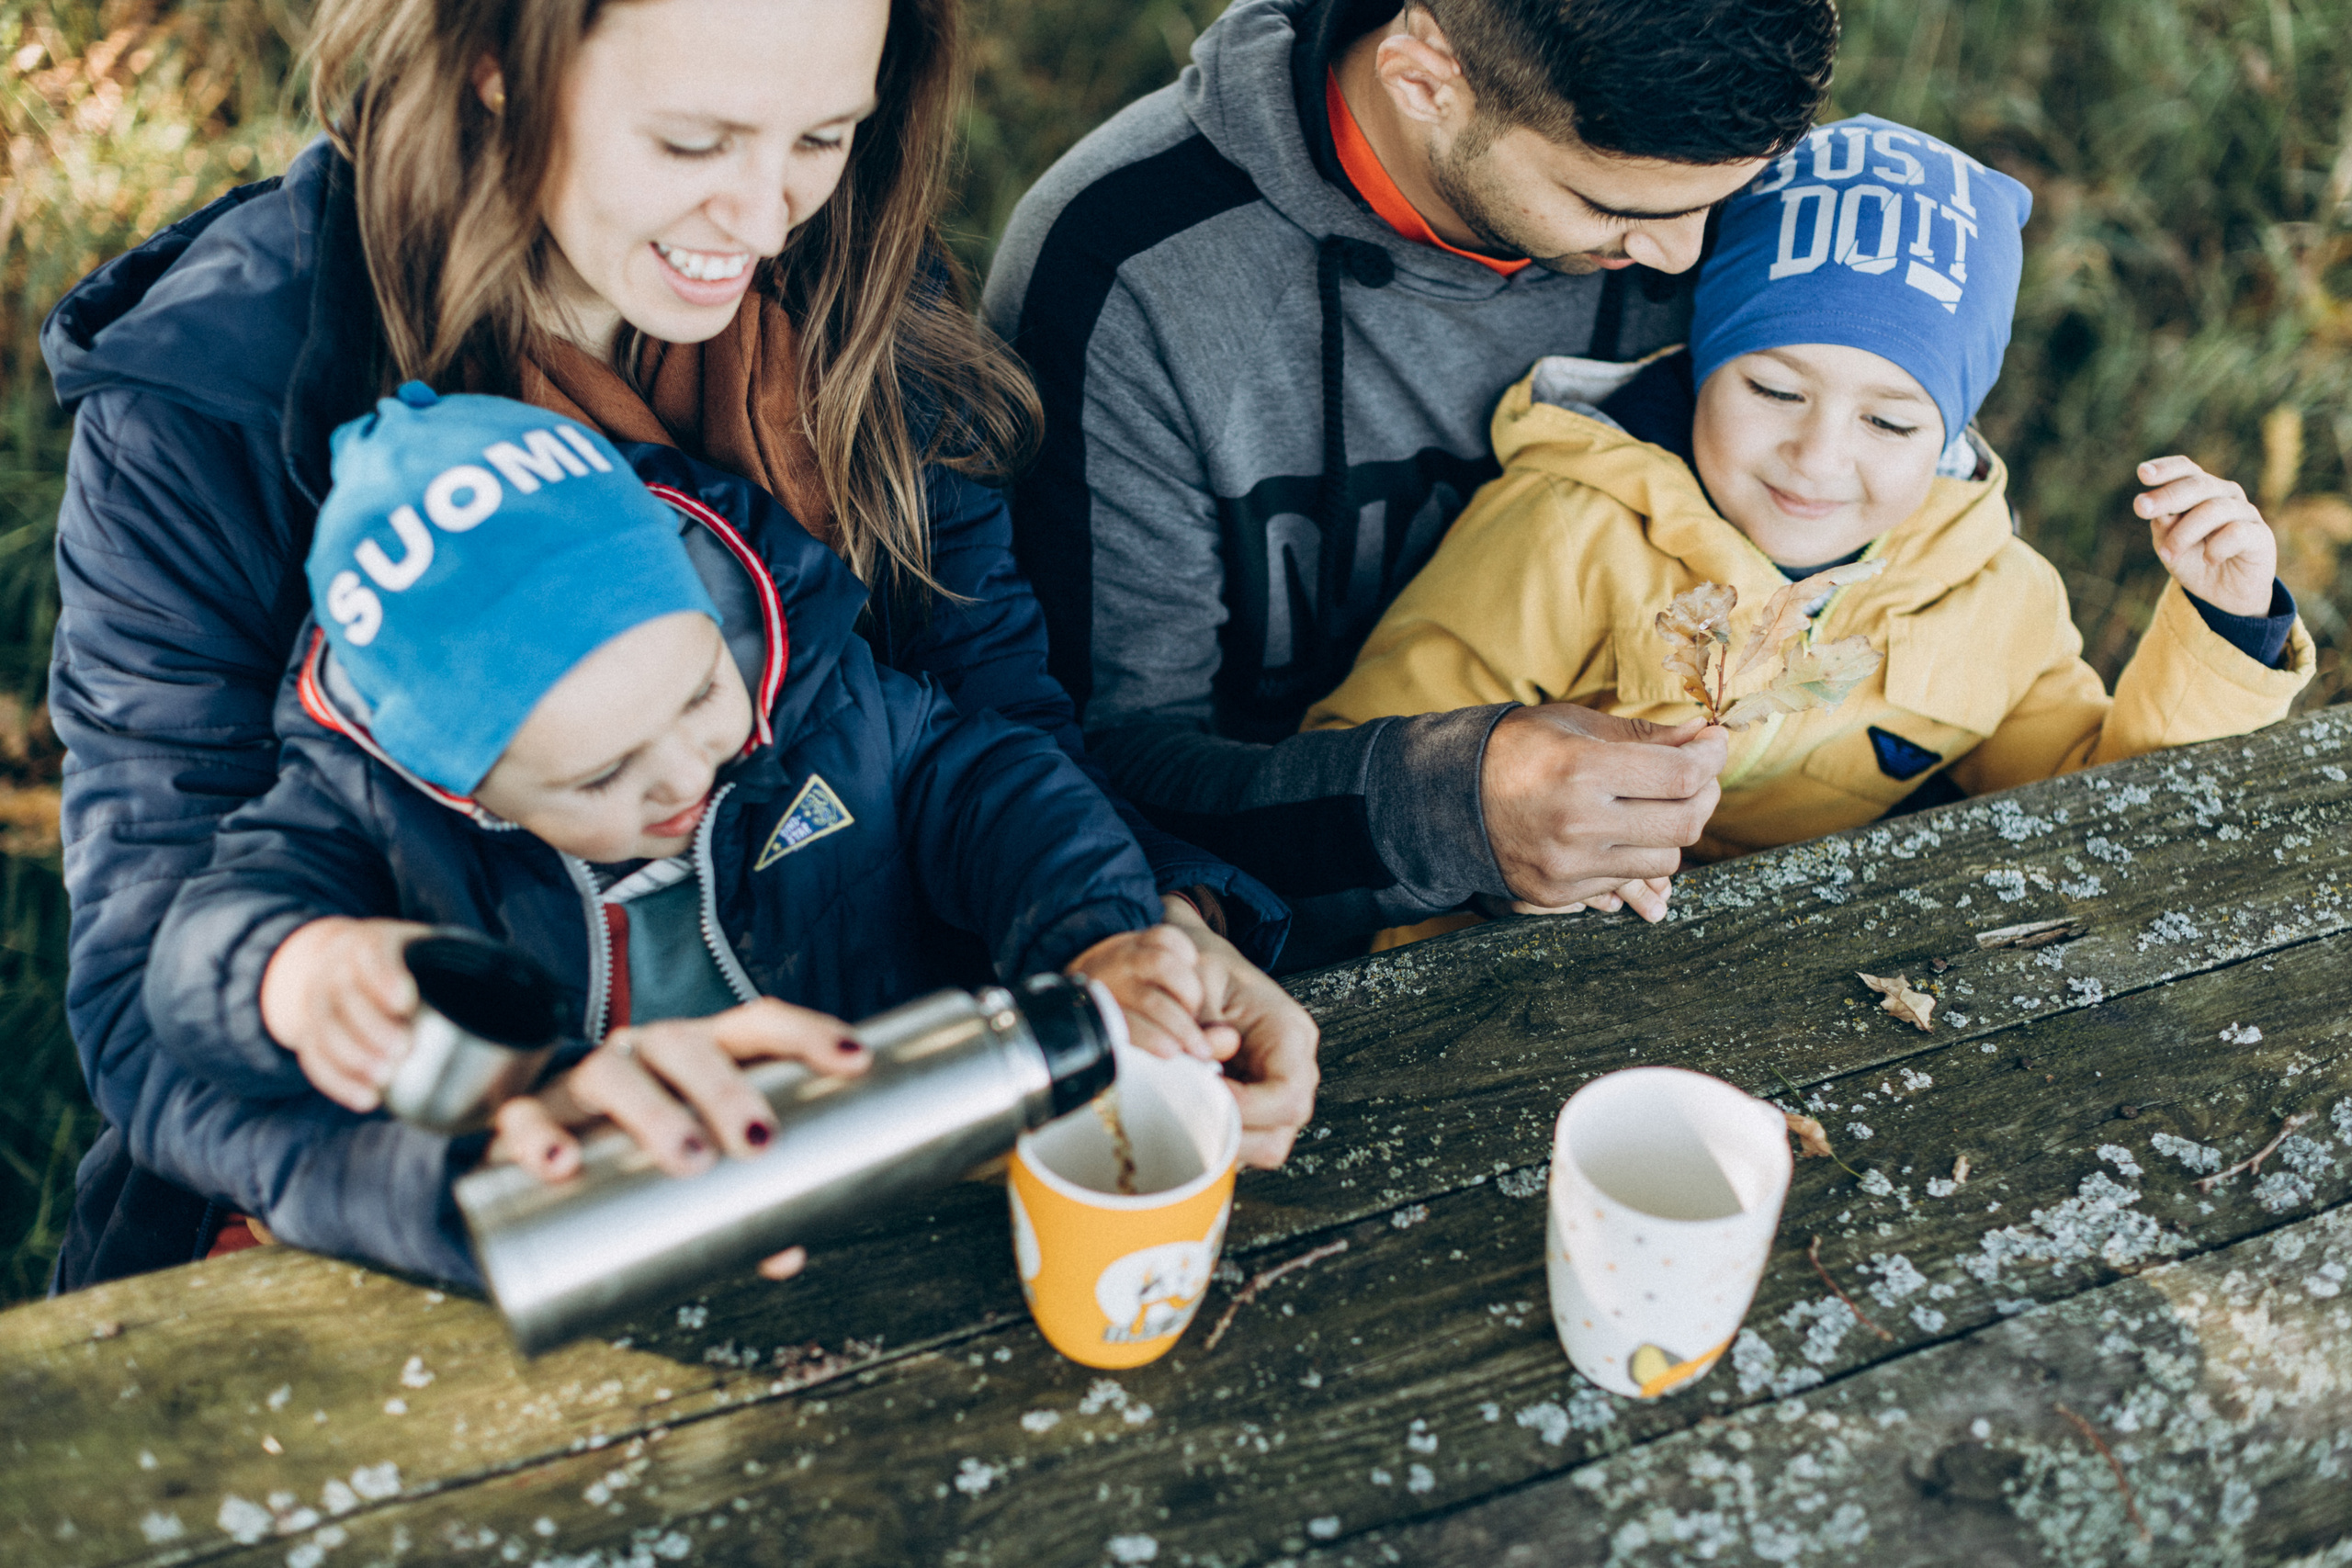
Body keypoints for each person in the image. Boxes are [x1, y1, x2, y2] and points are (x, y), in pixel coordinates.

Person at [40, 0, 1314, 1292]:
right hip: (397, 1245)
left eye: (823, 134)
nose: (767, 223)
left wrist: (1145, 926)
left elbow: (982, 710)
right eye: (694, 143)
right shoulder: (206, 406)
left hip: (867, 1150)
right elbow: (158, 996)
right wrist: (520, 1156)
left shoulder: (852, 265)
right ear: (492, 62)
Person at [141, 388, 1227, 1285]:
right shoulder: (379, 822)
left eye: (700, 689)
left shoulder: (809, 701)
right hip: (599, 1240)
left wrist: (1097, 935)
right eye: (602, 773)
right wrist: (297, 966)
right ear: (462, 783)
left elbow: (989, 781)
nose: (687, 773)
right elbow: (205, 940)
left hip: (882, 1188)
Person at [1305, 114, 2315, 946]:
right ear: (1703, 362)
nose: (1819, 456)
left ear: (1951, 429)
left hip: (1816, 977)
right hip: (1520, 962)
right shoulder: (1564, 533)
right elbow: (1368, 771)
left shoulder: (1992, 596)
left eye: (1888, 420)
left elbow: (2101, 814)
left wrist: (2223, 629)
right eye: (1775, 388)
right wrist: (1485, 871)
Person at [983, 0, 1840, 967]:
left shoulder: (1737, 177)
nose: (1687, 255)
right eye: (1613, 208)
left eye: (1723, 199)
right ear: (1421, 79)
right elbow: (1091, 769)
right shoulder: (1127, 267)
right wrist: (1444, 809)